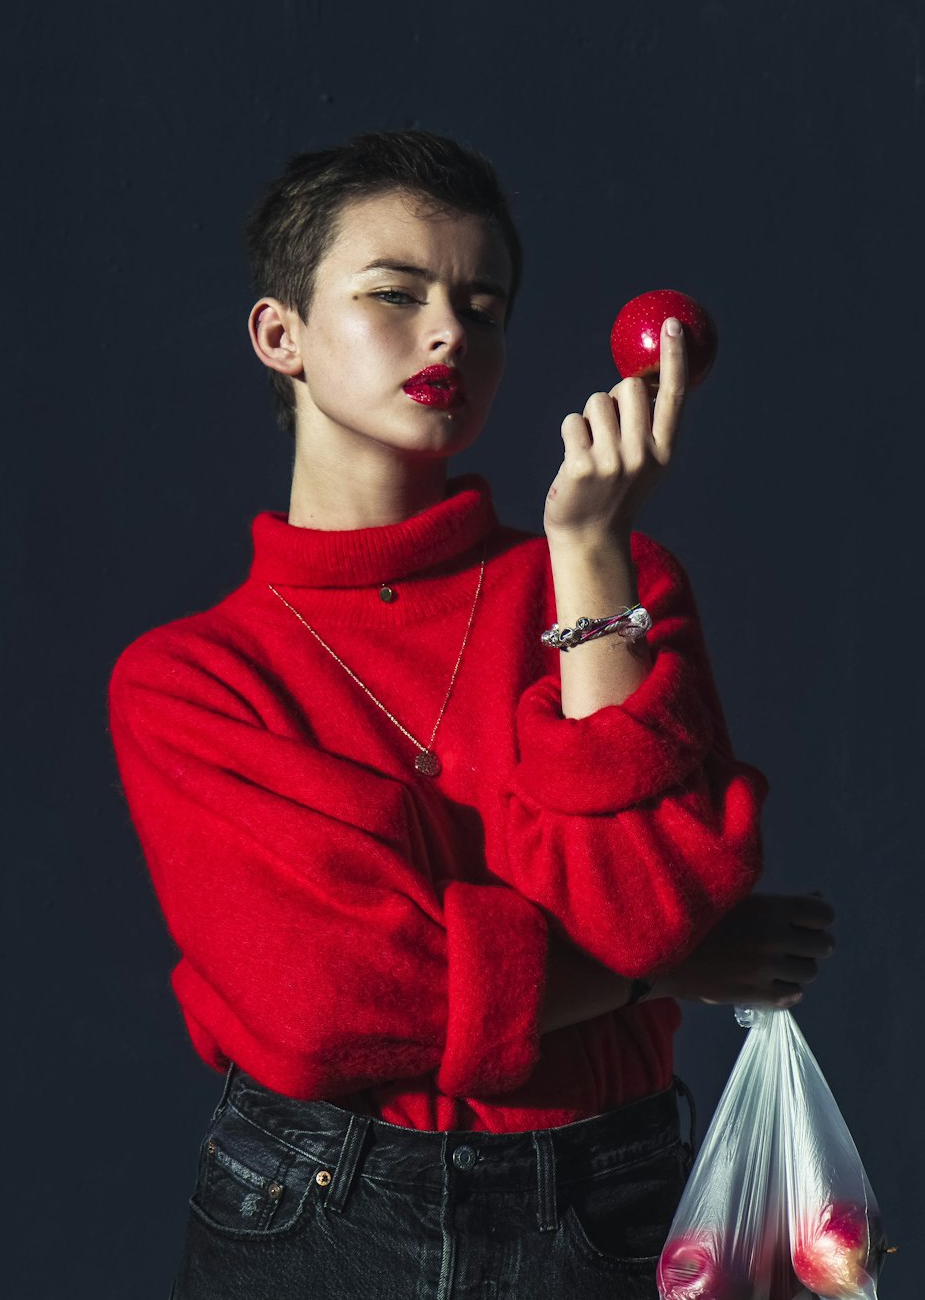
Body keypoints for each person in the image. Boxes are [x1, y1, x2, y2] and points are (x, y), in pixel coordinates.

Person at [106, 129, 835, 1299]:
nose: (449, 332)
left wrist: (587, 550)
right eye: (396, 294)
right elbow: (331, 1007)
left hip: (608, 1203)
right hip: (318, 1213)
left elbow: (644, 905)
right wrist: (664, 974)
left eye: (482, 306)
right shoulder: (190, 679)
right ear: (278, 335)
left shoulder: (616, 579)